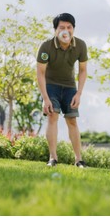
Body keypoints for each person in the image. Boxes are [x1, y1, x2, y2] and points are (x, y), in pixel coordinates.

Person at [36, 13, 88, 168]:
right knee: (52, 117)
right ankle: (53, 158)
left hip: (70, 87)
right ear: (55, 30)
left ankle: (78, 160)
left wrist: (79, 93)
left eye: (69, 27)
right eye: (62, 27)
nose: (66, 30)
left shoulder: (80, 45)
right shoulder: (46, 46)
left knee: (72, 120)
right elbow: (40, 72)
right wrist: (45, 97)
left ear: (73, 29)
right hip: (51, 86)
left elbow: (83, 70)